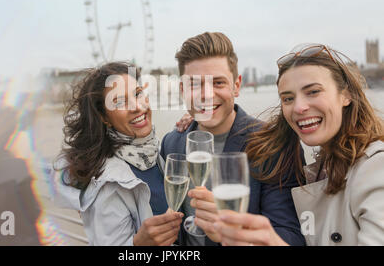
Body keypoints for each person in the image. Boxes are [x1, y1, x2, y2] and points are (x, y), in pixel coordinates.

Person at [211, 43, 384, 246]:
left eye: (313, 92)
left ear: (345, 95)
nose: (299, 107)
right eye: (288, 98)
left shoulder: (375, 168)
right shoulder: (321, 168)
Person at [160, 32, 306, 246]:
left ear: (236, 86)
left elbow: (291, 236)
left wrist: (233, 234)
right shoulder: (171, 143)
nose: (206, 95)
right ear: (182, 89)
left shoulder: (274, 145)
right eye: (194, 84)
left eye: (218, 83)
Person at [52, 62, 185, 246]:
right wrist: (139, 245)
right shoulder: (109, 186)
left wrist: (192, 121)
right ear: (104, 117)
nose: (137, 107)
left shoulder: (155, 153)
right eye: (120, 102)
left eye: (138, 94)